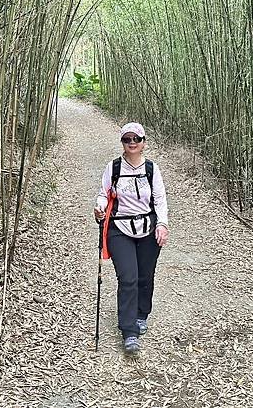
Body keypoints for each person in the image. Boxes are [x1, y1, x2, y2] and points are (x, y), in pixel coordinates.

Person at [94, 122, 169, 354]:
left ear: (144, 142)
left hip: (148, 227)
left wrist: (163, 224)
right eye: (127, 140)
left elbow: (160, 199)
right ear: (122, 143)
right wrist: (99, 207)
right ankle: (129, 332)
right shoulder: (114, 167)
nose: (132, 143)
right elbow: (103, 194)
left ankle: (140, 314)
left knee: (145, 276)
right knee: (128, 278)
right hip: (119, 228)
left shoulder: (151, 169)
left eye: (136, 139)